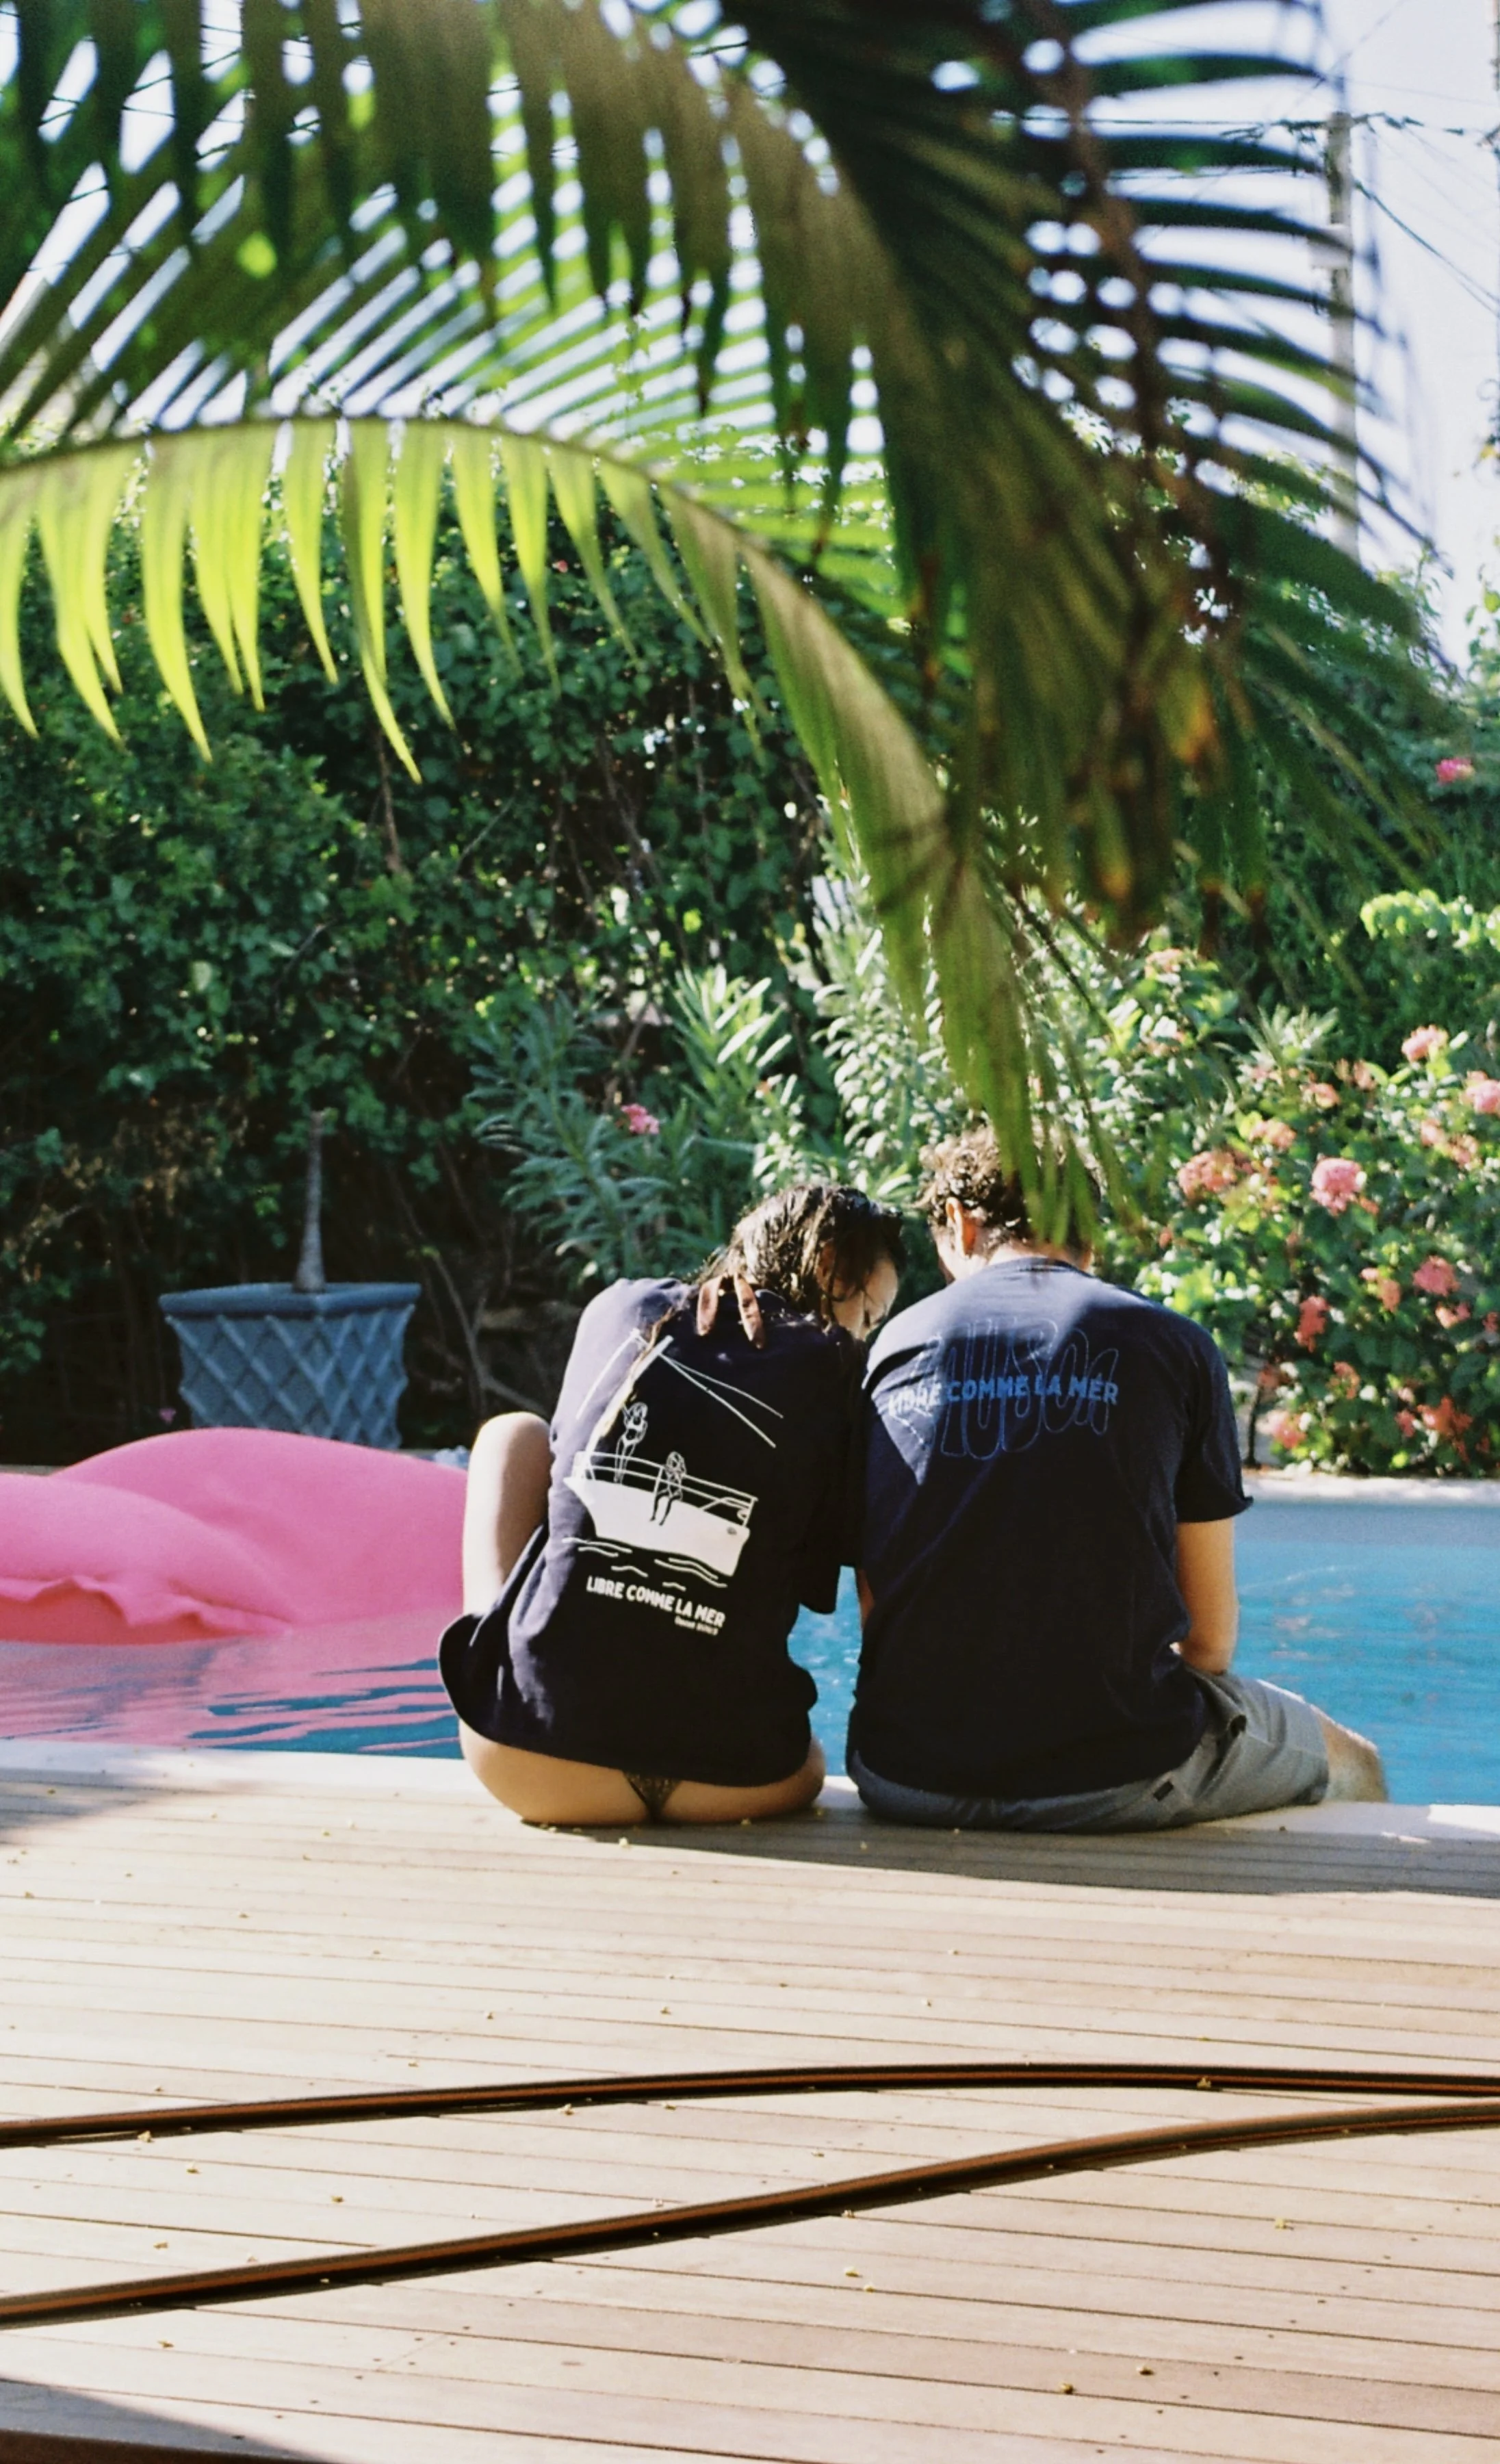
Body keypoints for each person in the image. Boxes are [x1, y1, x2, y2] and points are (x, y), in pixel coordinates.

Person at [847, 1126, 1386, 1830]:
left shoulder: (893, 1346)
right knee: (1355, 1762)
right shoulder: (1173, 1347)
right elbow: (1209, 1644)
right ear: (1088, 1239)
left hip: (902, 1775)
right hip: (1112, 1778)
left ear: (959, 1221)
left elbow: (877, 1607)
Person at [442, 1182, 904, 1826]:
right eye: (868, 1313)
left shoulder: (618, 1306)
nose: (862, 1333)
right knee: (810, 1762)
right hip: (734, 1775)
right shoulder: (838, 1371)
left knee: (509, 1435)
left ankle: (492, 1654)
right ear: (830, 1266)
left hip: (530, 1754)